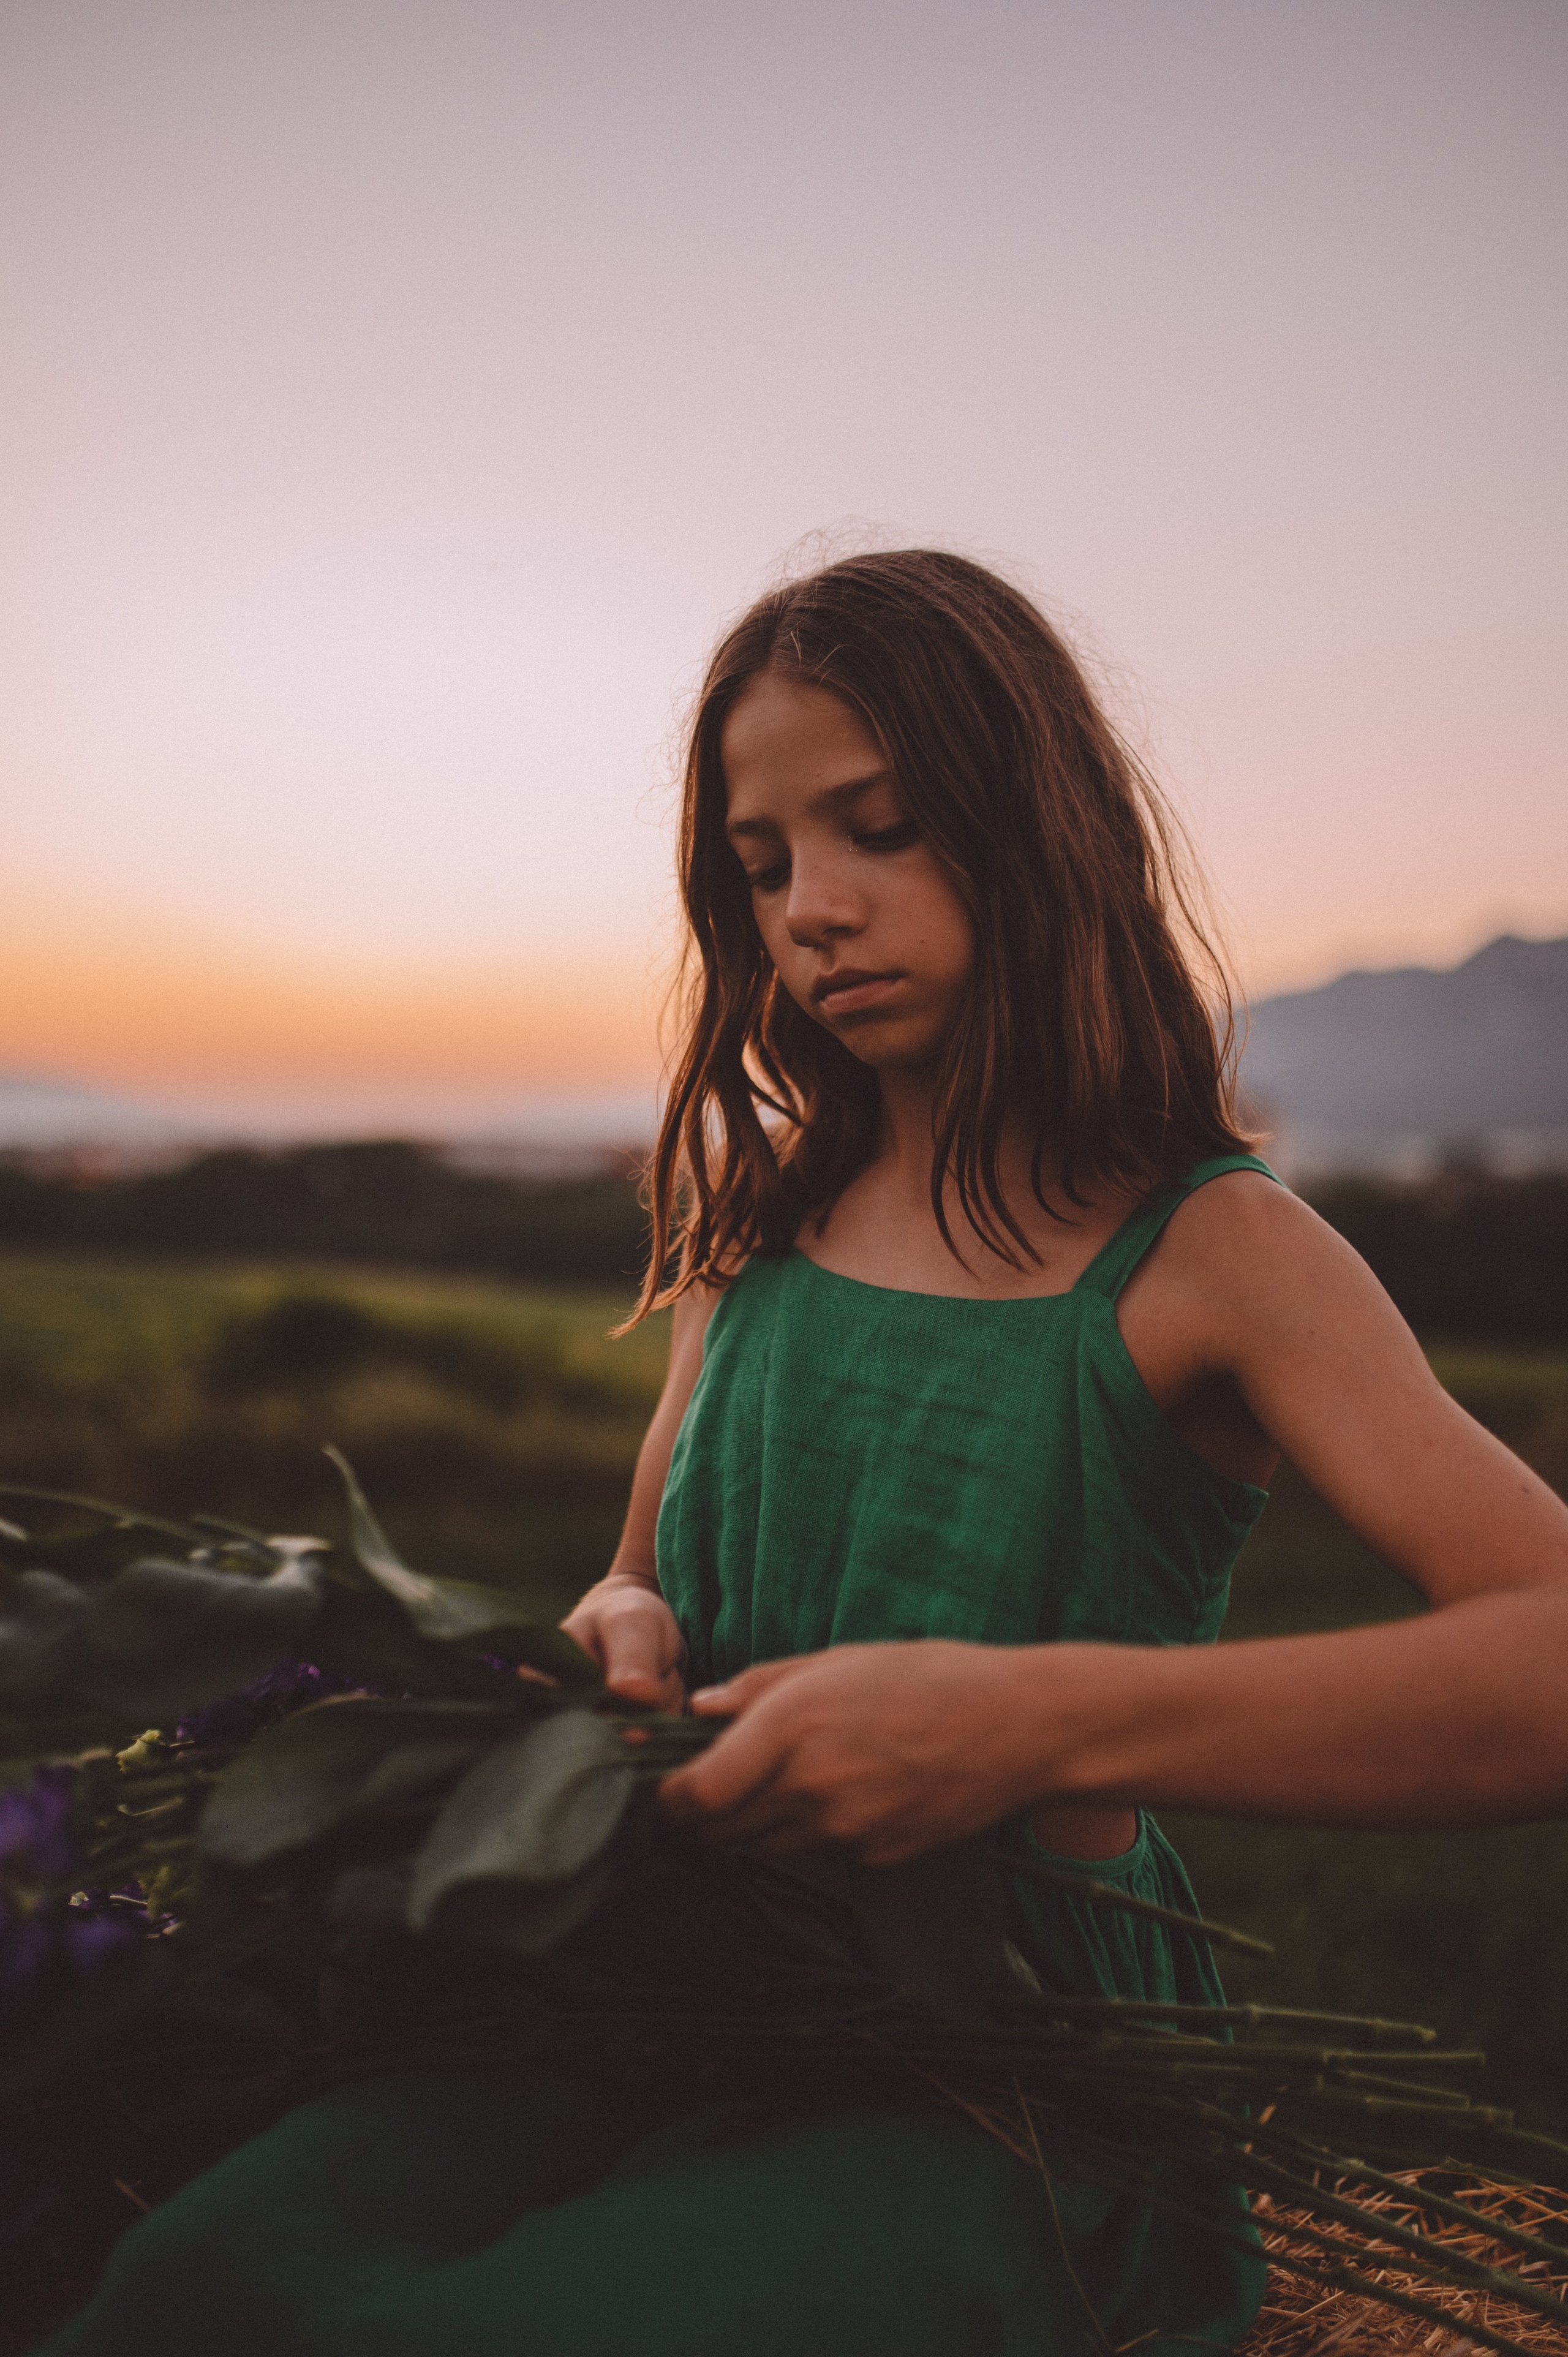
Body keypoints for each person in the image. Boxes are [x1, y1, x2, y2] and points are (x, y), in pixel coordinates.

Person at [42, 552, 1568, 2357]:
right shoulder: (753, 1228)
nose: (812, 911)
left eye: (882, 829)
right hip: (670, 1977)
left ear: (1040, 832)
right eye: (763, 867)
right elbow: (641, 1574)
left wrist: (1031, 1722)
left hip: (1009, 2071)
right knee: (191, 2286)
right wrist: (619, 1631)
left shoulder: (1216, 1251)